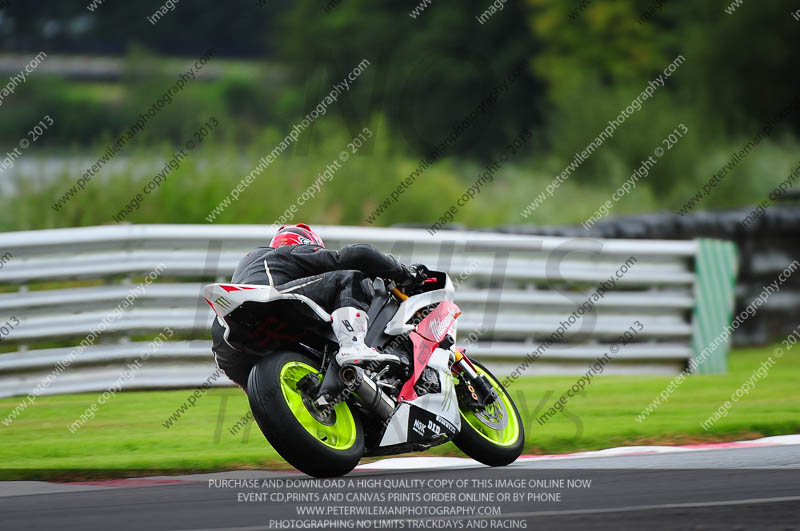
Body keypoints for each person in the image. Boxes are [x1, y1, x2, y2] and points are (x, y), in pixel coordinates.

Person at [212, 223, 419, 390]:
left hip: (228, 343)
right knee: (350, 276)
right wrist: (403, 273)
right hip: (271, 302)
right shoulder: (286, 253)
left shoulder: (250, 268)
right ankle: (353, 345)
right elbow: (356, 255)